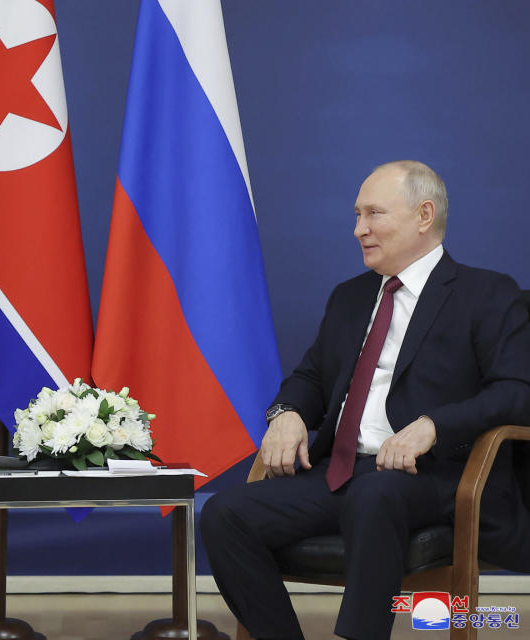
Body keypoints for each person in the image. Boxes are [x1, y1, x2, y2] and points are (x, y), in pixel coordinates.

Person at [200, 160, 530, 640]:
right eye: (356, 215)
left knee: (375, 493)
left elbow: (517, 394)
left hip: (437, 476)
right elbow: (310, 377)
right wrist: (286, 413)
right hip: (342, 472)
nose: (359, 229)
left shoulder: (487, 294)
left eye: (374, 214)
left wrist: (434, 426)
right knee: (225, 513)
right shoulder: (350, 297)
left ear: (423, 215)